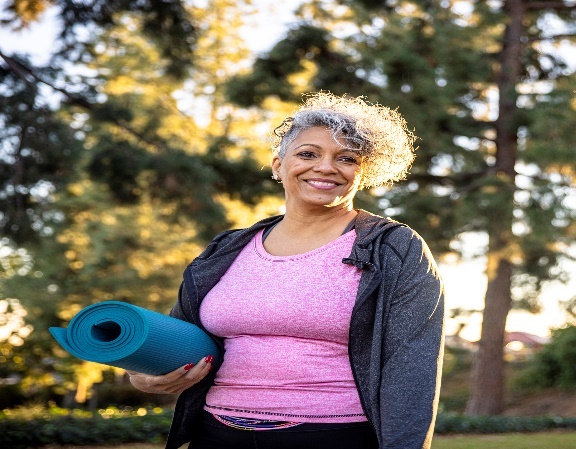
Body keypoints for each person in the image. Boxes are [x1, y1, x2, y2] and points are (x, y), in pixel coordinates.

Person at [127, 92, 445, 449]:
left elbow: (412, 369)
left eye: (346, 158)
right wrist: (144, 374)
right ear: (278, 165)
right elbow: (181, 339)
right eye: (308, 154)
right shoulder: (226, 250)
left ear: (363, 172)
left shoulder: (395, 248)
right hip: (214, 433)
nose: (326, 167)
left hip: (332, 436)